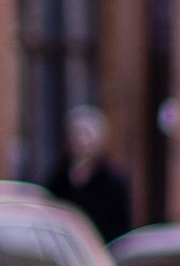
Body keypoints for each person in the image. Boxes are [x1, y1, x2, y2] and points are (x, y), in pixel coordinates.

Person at [49, 104, 133, 246]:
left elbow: (121, 227)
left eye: (87, 134)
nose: (81, 140)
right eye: (76, 133)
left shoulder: (112, 180)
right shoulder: (58, 177)